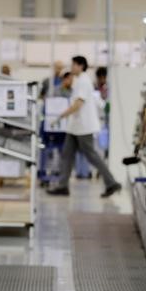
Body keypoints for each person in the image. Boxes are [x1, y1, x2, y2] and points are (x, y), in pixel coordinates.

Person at [48, 56, 121, 198]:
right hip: (75, 127)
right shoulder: (78, 81)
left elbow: (78, 104)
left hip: (84, 127)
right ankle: (63, 186)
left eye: (74, 65)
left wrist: (61, 116)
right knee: (67, 155)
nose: (72, 67)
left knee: (92, 156)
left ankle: (111, 183)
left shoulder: (84, 81)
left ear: (81, 66)